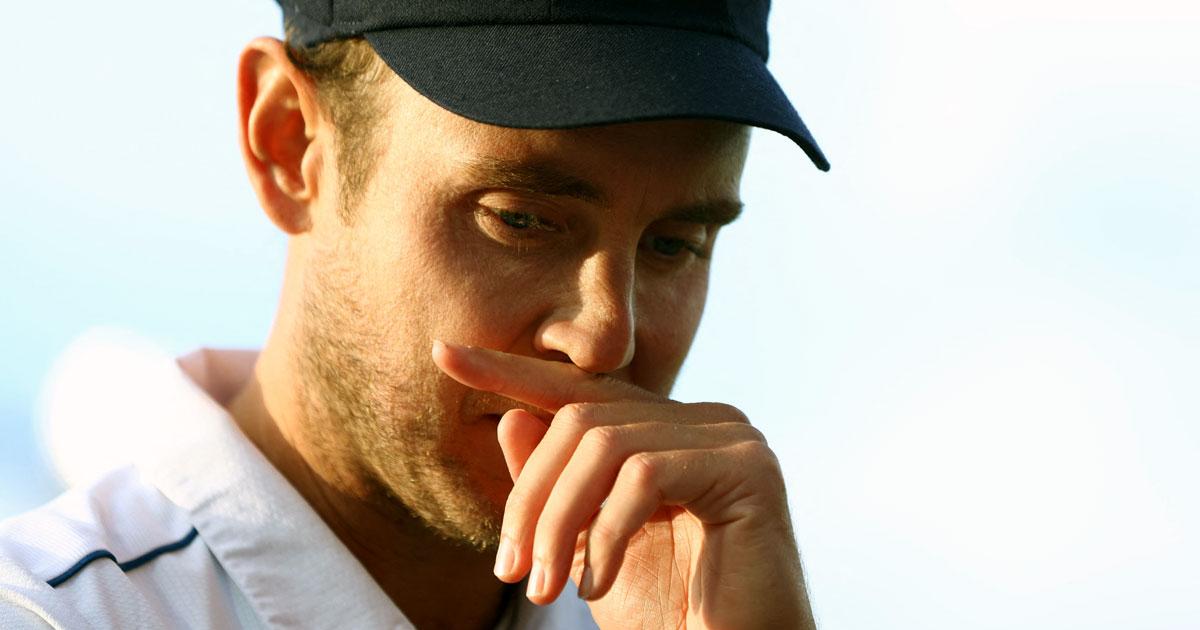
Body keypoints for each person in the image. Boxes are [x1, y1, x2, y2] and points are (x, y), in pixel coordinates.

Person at [0, 1, 829, 628]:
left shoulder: (690, 611)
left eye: (676, 244)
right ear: (289, 145)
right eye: (520, 219)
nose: (605, 337)